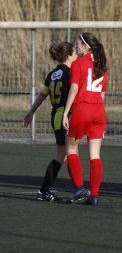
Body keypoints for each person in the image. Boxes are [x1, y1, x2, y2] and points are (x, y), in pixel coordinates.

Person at [23, 42, 77, 201]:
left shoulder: (53, 74)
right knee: (66, 153)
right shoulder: (71, 73)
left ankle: (46, 190)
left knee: (64, 154)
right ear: (68, 56)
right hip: (65, 116)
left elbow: (42, 95)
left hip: (55, 115)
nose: (77, 55)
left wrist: (31, 111)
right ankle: (75, 188)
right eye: (74, 52)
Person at [63, 32, 109, 206]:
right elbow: (102, 95)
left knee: (72, 149)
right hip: (98, 111)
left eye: (77, 44)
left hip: (82, 108)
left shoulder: (78, 64)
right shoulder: (102, 65)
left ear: (85, 46)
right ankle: (94, 195)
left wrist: (67, 113)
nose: (75, 46)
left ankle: (80, 188)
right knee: (95, 155)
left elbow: (74, 90)